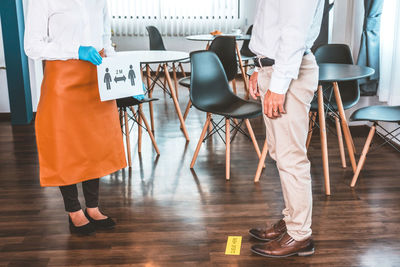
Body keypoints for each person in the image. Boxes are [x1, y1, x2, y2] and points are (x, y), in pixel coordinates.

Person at [24, 0, 127, 236]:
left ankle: (93, 207)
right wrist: (75, 50)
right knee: (67, 145)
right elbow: (32, 47)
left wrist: (121, 72)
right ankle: (73, 210)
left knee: (94, 144)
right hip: (63, 79)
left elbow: (104, 37)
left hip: (96, 77)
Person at [247, 0, 324, 257]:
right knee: (280, 154)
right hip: (274, 67)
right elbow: (270, 25)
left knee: (291, 158)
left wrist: (278, 87)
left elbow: (293, 34)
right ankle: (292, 219)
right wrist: (258, 67)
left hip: (288, 72)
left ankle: (299, 234)